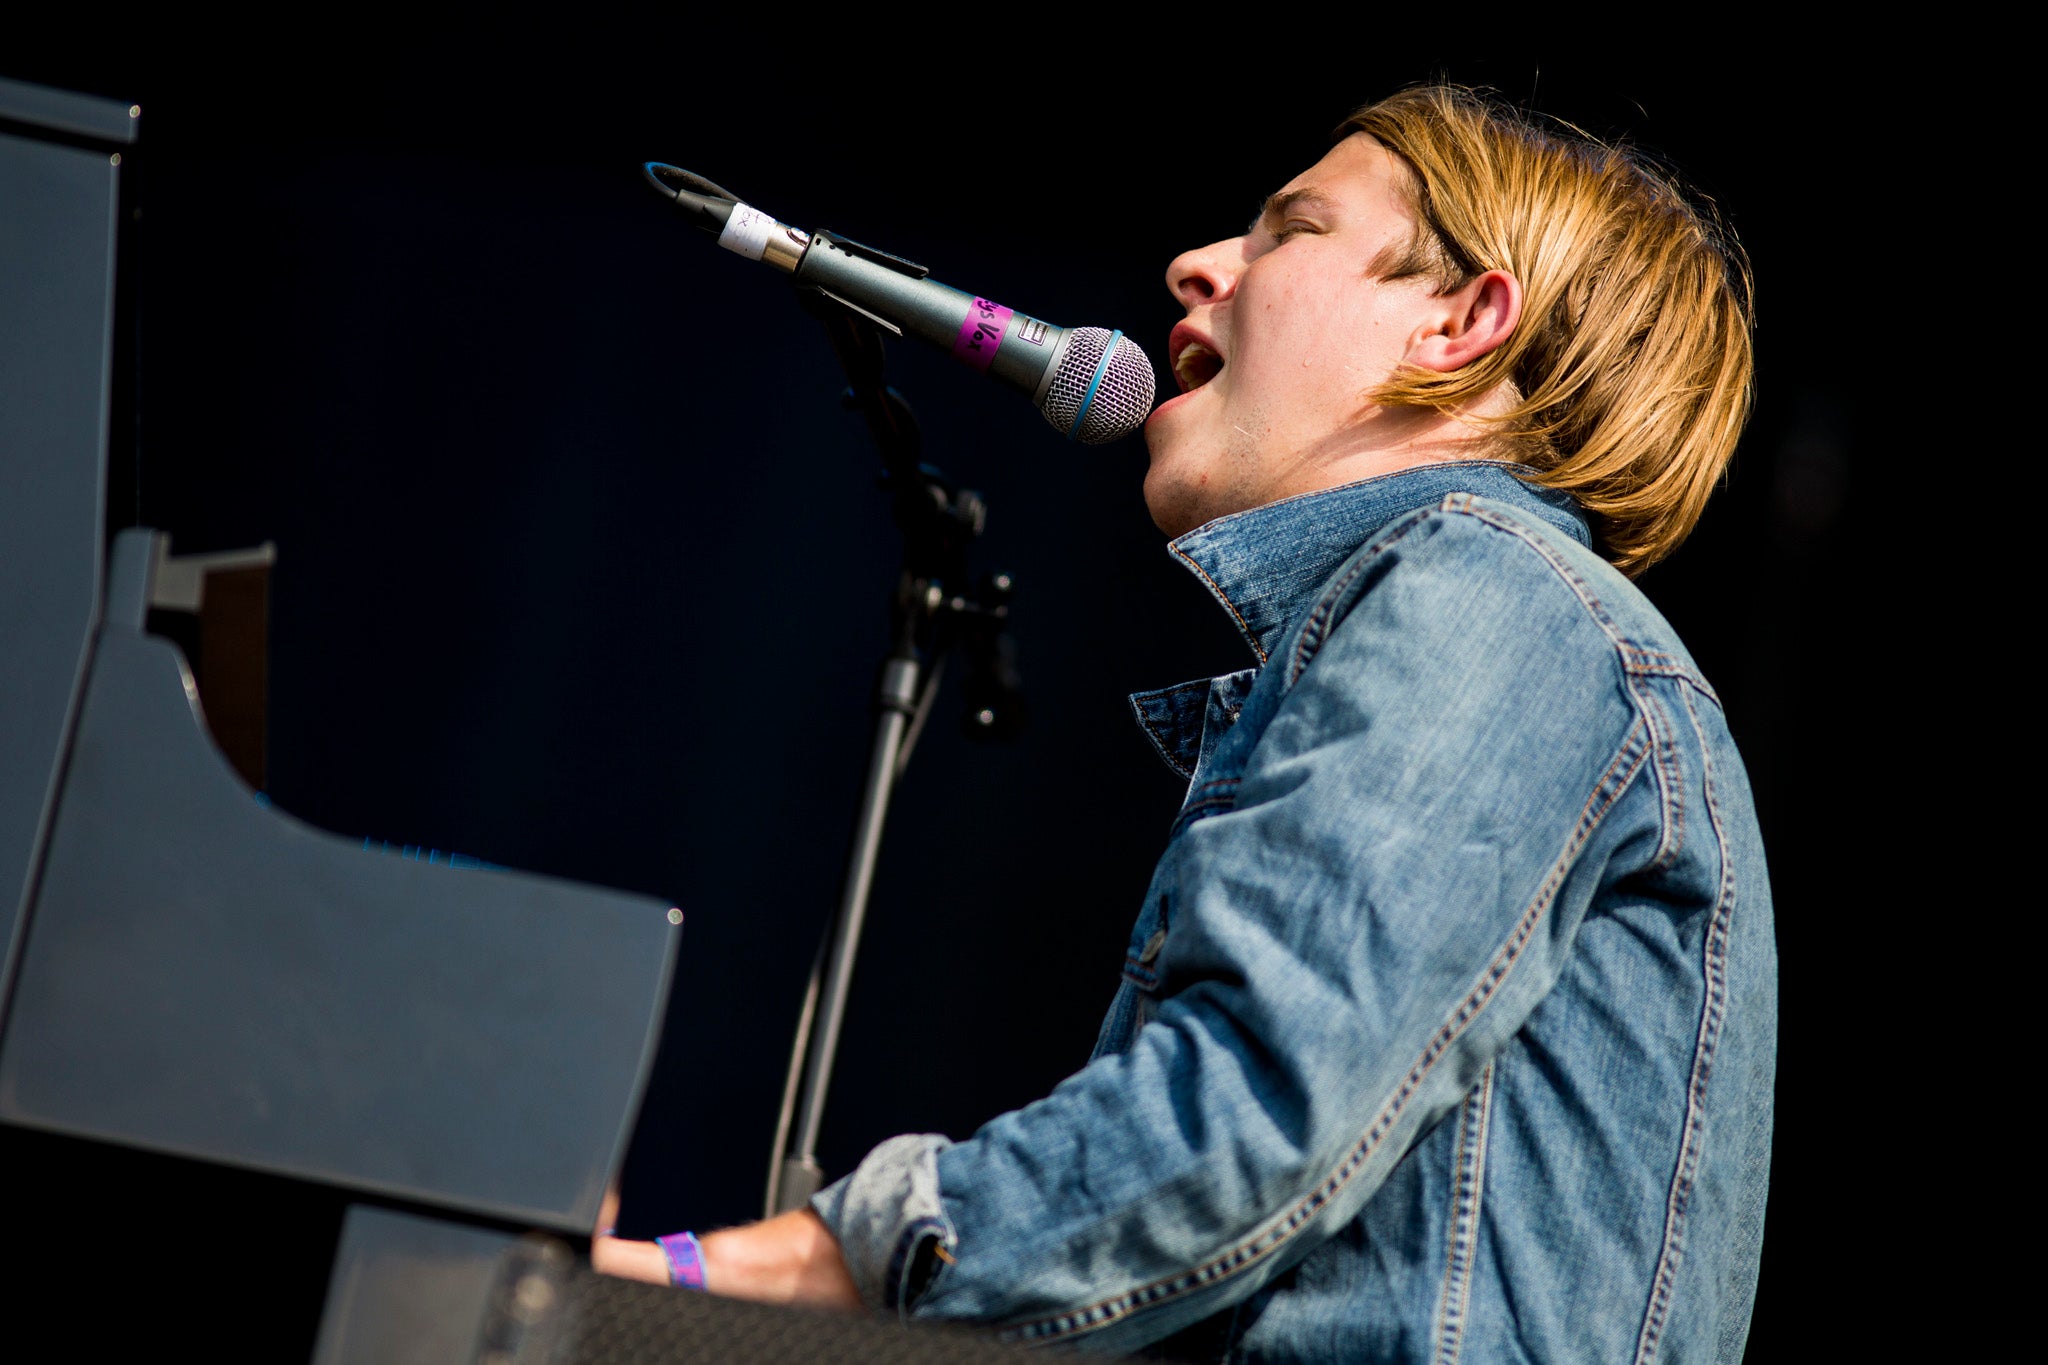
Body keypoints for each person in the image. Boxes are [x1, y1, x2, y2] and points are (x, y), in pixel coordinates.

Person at [596, 83, 1774, 1363]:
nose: (1199, 264)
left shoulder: (1486, 591)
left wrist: (706, 1278)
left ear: (1457, 321)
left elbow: (1242, 1115)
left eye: (1292, 230)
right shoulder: (1497, 614)